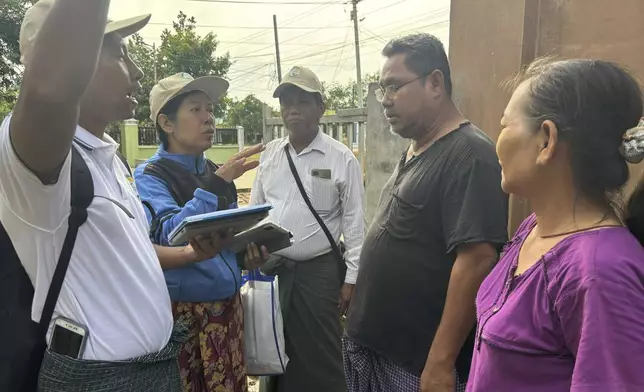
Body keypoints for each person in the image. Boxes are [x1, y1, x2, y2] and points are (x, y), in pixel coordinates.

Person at [0, 1, 226, 390]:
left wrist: (190, 254)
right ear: (75, 61)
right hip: (99, 379)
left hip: (152, 368)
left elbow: (129, 251)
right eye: (121, 55)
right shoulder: (37, 161)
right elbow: (49, 89)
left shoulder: (107, 156)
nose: (137, 72)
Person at [343, 33, 509, 392]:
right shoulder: (417, 148)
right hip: (376, 348)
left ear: (435, 82)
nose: (385, 101)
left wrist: (440, 362)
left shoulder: (469, 154)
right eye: (381, 90)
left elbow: (478, 259)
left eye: (393, 87)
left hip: (414, 365)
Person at [467, 58, 644, 391]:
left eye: (506, 124)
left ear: (546, 140)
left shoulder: (600, 273)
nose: (498, 139)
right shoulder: (533, 227)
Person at [134, 73, 269, 392]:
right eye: (196, 109)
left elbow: (227, 238)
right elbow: (169, 234)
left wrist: (246, 255)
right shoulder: (151, 175)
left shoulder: (214, 172)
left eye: (209, 109)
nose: (209, 117)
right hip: (185, 316)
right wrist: (216, 185)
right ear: (167, 123)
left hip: (228, 311)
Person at [251, 65, 366, 392]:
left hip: (319, 274)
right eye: (286, 101)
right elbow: (255, 214)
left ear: (321, 107)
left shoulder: (341, 159)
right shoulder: (270, 156)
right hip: (273, 270)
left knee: (322, 356)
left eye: (302, 100)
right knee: (271, 351)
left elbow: (355, 226)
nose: (292, 109)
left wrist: (351, 281)